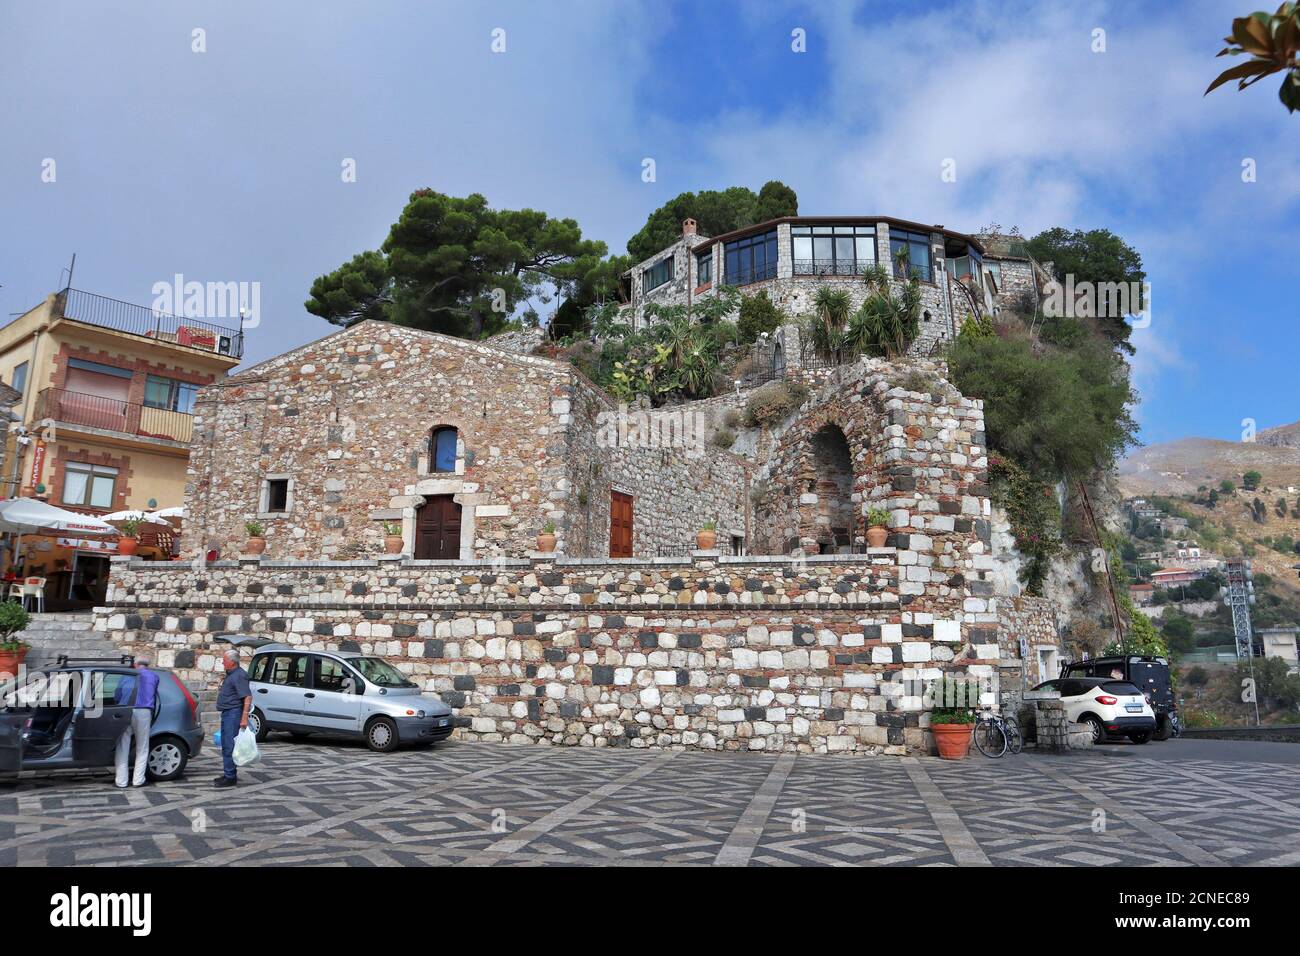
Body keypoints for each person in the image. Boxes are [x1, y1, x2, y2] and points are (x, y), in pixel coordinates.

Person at [113, 657, 159, 789]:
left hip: (126, 710)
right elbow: (154, 695)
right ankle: (138, 780)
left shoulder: (127, 675)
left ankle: (121, 781)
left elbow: (117, 694)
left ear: (135, 664)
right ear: (147, 665)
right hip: (144, 711)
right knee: (142, 747)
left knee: (122, 745)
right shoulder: (154, 676)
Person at [214, 649, 252, 788]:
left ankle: (230, 776)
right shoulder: (231, 674)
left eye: (224, 660)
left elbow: (247, 696)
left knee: (229, 744)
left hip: (233, 713)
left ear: (232, 662)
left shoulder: (239, 675)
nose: (223, 662)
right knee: (225, 744)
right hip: (227, 713)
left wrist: (244, 718)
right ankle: (228, 773)